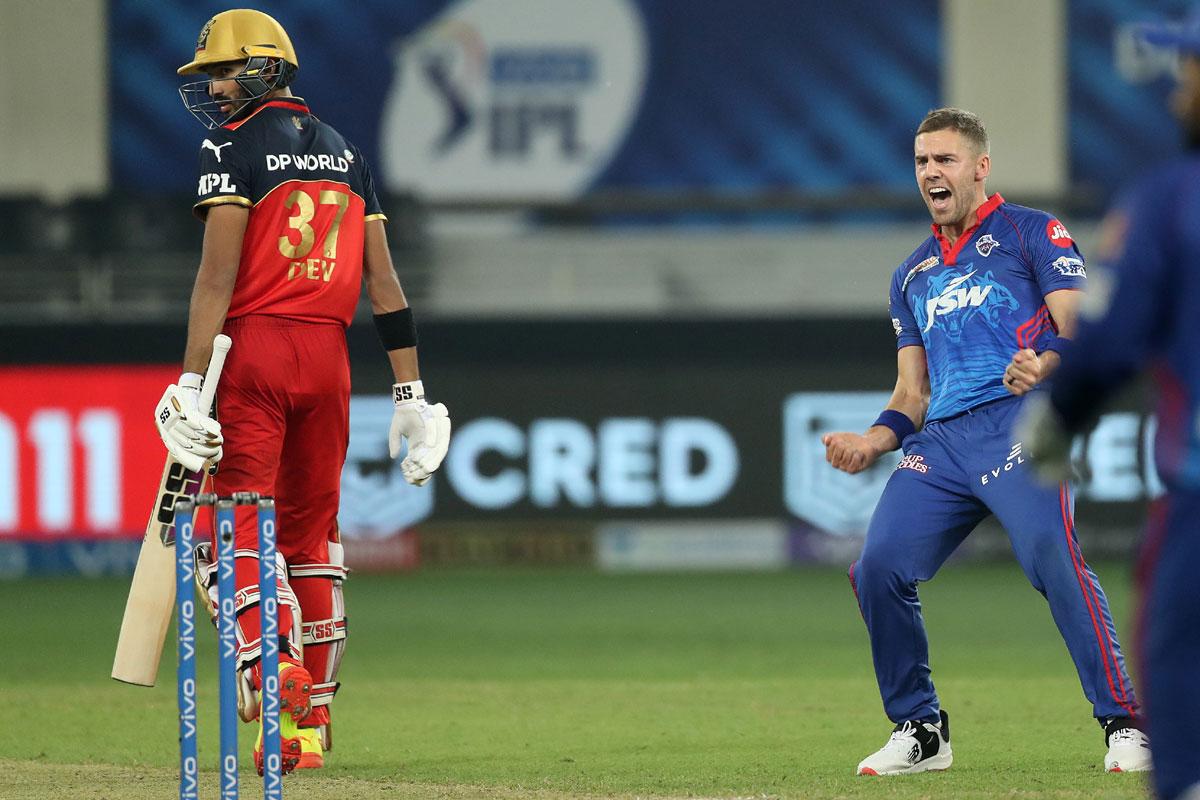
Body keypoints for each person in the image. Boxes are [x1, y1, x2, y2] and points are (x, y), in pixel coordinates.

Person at [152, 9, 451, 774]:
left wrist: (189, 384)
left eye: (224, 71)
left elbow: (217, 276)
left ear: (264, 69)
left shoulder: (229, 145)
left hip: (254, 350)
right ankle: (308, 726)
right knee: (312, 542)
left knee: (230, 535)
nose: (214, 88)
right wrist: (412, 393)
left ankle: (267, 667)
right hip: (330, 362)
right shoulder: (346, 152)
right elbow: (384, 286)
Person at [822, 107, 1150, 776]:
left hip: (1019, 423)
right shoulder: (911, 274)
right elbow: (911, 392)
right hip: (942, 443)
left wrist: (1044, 366)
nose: (930, 172)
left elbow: (1076, 330)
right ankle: (922, 729)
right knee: (878, 566)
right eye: (920, 161)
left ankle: (1125, 724)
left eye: (944, 159)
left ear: (980, 166)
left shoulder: (1034, 232)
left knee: (1052, 557)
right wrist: (874, 441)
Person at [1017, 9, 1200, 799]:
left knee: (1181, 663)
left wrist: (1057, 419)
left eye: (1191, 74)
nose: (1177, 94)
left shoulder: (1171, 198)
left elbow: (1116, 336)